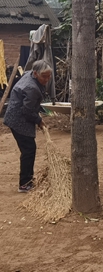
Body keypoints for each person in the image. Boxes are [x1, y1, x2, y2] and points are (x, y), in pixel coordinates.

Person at [4, 60, 52, 193]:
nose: (47, 79)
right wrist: (39, 121)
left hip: (17, 115)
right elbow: (27, 111)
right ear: (35, 74)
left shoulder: (29, 74)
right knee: (29, 150)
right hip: (18, 120)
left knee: (28, 149)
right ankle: (25, 184)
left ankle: (27, 180)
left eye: (49, 76)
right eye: (44, 76)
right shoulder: (32, 88)